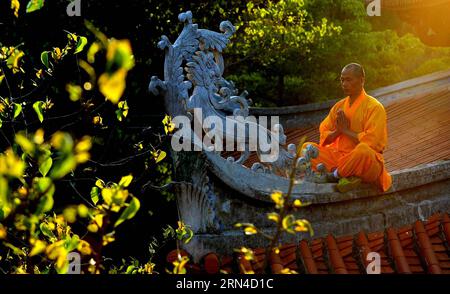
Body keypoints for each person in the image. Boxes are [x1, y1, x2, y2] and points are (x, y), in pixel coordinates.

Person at [302, 63, 392, 192]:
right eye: (342, 80)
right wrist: (338, 131)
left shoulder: (374, 107)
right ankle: (346, 174)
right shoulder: (339, 106)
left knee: (363, 150)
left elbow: (373, 142)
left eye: (349, 80)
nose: (344, 84)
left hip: (364, 163)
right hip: (340, 158)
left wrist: (345, 131)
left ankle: (334, 176)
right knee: (306, 148)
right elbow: (324, 133)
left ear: (361, 80)